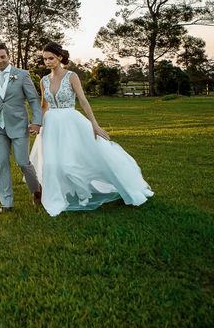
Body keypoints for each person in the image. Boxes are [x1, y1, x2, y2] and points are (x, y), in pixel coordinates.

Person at [30, 42, 154, 217]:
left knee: (72, 162)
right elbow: (44, 106)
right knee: (50, 163)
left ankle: (84, 192)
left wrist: (94, 125)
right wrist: (38, 124)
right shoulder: (43, 81)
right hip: (50, 125)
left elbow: (83, 101)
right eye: (45, 59)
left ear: (59, 57)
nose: (48, 62)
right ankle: (54, 195)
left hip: (71, 123)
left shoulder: (71, 76)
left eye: (51, 58)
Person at [0, 42, 43, 213]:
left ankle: (36, 190)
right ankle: (6, 203)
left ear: (9, 56)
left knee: (23, 162)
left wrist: (36, 122)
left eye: (2, 57)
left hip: (19, 126)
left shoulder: (22, 75)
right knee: (2, 163)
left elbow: (34, 100)